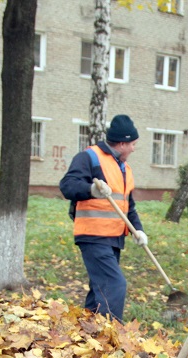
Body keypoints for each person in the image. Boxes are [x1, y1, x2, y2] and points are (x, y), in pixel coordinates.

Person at [60, 114, 148, 322]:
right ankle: (109, 336)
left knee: (99, 288)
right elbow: (68, 185)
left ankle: (86, 332)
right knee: (113, 284)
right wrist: (91, 189)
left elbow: (129, 205)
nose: (134, 149)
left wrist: (138, 230)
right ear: (122, 143)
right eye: (133, 144)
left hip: (113, 238)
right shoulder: (90, 157)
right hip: (93, 235)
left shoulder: (125, 168)